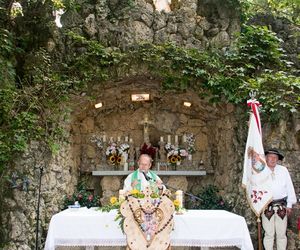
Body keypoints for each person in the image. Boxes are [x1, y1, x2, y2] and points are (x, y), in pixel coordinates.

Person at [261, 148, 297, 250]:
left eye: (275, 157)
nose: (273, 159)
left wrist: (289, 205)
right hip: (266, 207)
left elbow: (290, 187)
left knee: (281, 234)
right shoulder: (261, 171)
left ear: (278, 159)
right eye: (270, 157)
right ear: (266, 158)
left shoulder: (283, 170)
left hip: (281, 206)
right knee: (268, 234)